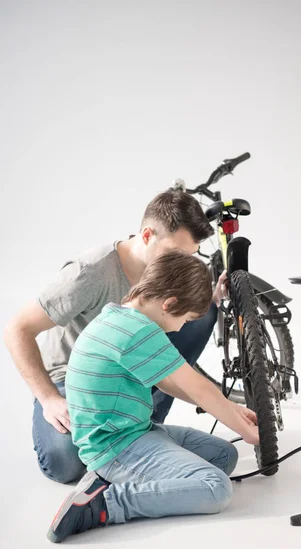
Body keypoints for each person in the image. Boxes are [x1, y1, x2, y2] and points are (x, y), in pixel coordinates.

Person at [4, 189, 228, 484]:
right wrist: (48, 399)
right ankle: (128, 443)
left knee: (202, 316)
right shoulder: (89, 273)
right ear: (147, 235)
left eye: (189, 256)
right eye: (176, 254)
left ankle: (144, 430)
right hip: (73, 380)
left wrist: (207, 300)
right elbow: (17, 329)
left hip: (130, 376)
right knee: (65, 464)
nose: (184, 265)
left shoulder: (169, 279)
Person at [47, 250, 259, 543]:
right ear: (169, 304)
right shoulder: (138, 332)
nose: (183, 327)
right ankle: (103, 504)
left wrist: (234, 413)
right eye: (185, 319)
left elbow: (172, 384)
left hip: (137, 433)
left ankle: (107, 479)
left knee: (225, 455)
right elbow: (197, 386)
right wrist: (246, 431)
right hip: (117, 447)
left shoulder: (118, 316)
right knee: (216, 487)